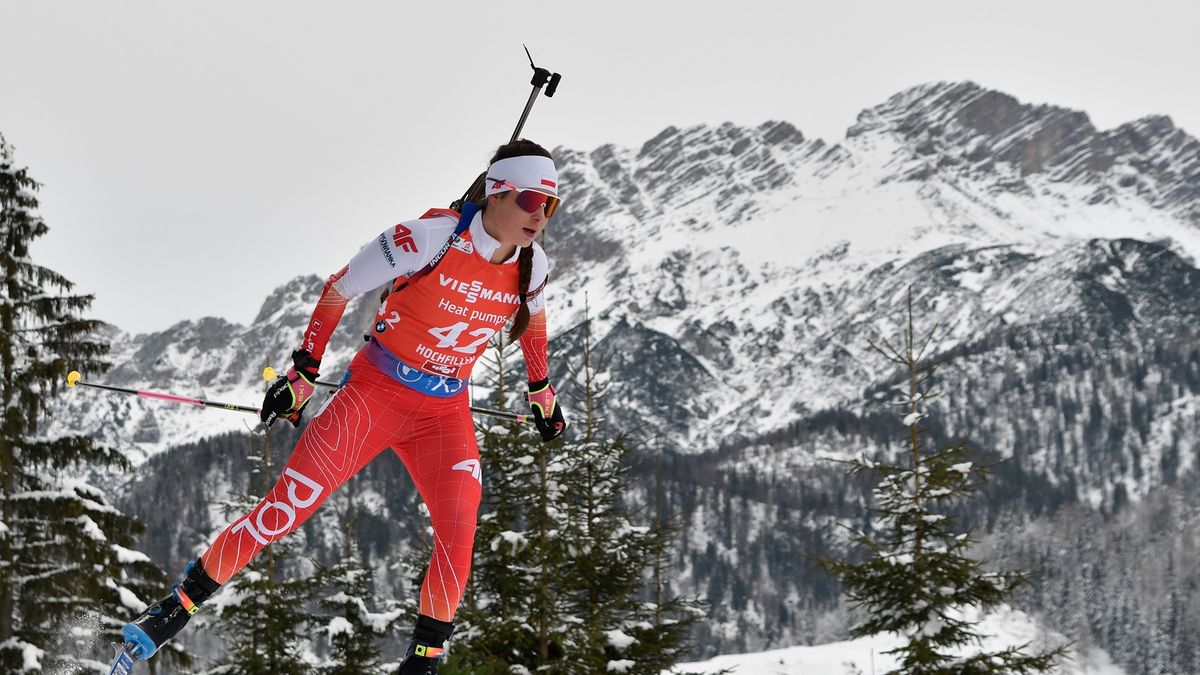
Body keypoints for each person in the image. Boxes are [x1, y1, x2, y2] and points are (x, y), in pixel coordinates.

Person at [121, 139, 568, 674]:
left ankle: (420, 665)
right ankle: (174, 608)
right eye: (528, 200)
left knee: (459, 529)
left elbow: (534, 327)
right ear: (496, 191)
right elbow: (339, 287)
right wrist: (303, 371)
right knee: (284, 510)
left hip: (444, 413)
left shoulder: (531, 263)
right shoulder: (429, 237)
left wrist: (541, 391)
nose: (539, 215)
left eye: (550, 203)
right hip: (375, 394)